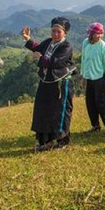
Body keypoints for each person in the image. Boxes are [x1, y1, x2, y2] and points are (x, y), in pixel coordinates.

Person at [21, 17, 76, 151]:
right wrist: (27, 39)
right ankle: (46, 140)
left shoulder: (66, 46)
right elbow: (38, 48)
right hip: (46, 81)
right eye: (53, 31)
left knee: (59, 112)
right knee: (43, 110)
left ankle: (62, 140)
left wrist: (39, 57)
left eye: (59, 32)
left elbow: (55, 62)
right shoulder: (48, 42)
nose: (55, 34)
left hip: (60, 83)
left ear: (65, 33)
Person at [81, 22, 105, 137]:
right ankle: (95, 125)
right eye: (97, 33)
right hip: (89, 78)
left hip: (100, 79)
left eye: (101, 33)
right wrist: (83, 76)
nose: (99, 36)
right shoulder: (85, 43)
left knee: (103, 105)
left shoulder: (104, 47)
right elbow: (83, 60)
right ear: (91, 34)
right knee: (90, 103)